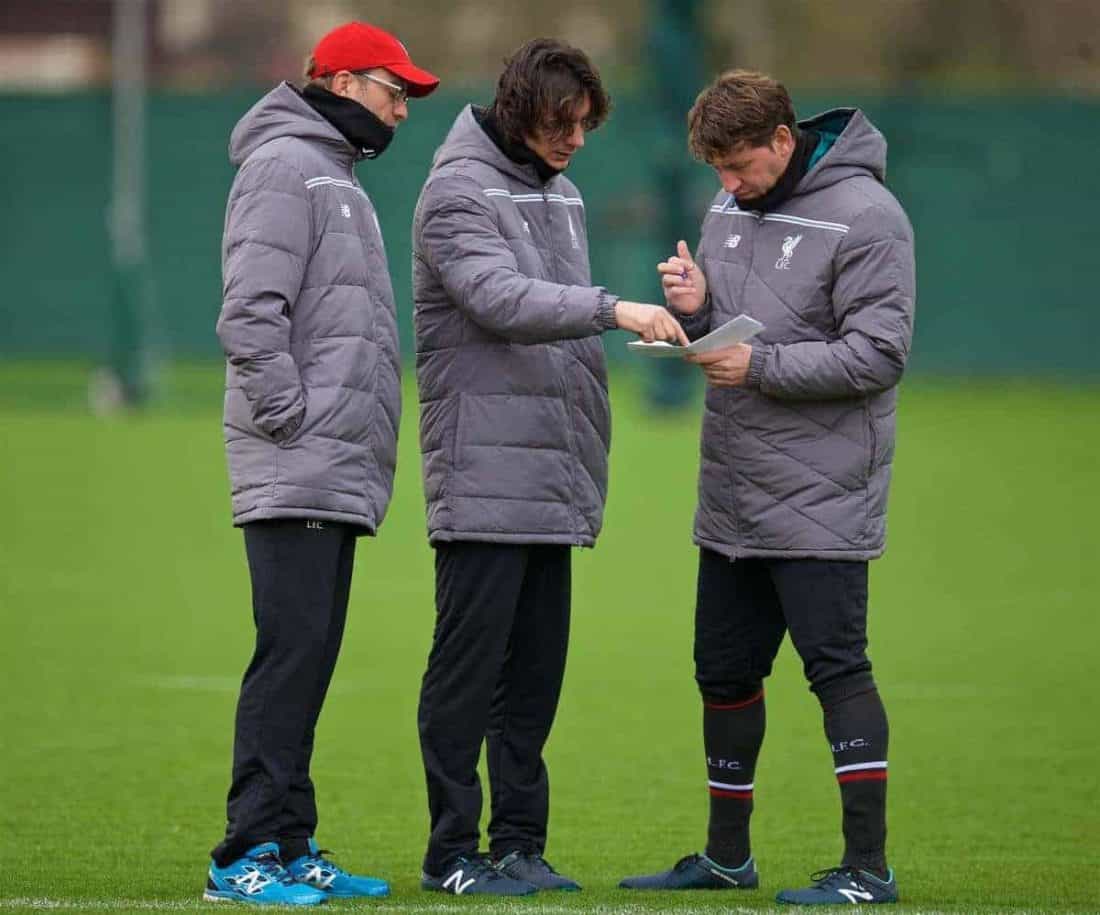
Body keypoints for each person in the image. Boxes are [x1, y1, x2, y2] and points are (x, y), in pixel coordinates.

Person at [618, 70, 915, 905]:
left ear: (784, 141)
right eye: (716, 170)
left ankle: (866, 869)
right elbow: (734, 332)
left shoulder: (870, 217)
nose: (728, 185)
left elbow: (880, 353)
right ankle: (725, 860)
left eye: (740, 166)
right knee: (722, 669)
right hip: (733, 495)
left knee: (837, 669)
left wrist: (762, 364)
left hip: (821, 495)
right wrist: (701, 306)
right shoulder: (726, 209)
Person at [411, 38, 687, 897]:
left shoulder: (559, 193)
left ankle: (521, 845)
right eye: (563, 124)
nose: (575, 142)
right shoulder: (454, 192)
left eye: (585, 127)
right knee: (467, 677)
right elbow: (499, 299)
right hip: (483, 474)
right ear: (520, 108)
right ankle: (453, 853)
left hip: (554, 476)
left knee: (533, 682)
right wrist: (615, 307)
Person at [207, 22, 438, 907]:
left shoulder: (335, 173)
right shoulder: (284, 167)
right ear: (339, 80)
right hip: (297, 459)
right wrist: (291, 419)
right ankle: (241, 856)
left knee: (311, 656)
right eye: (391, 87)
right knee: (290, 654)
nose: (400, 108)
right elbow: (250, 315)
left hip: (333, 464)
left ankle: (292, 842)